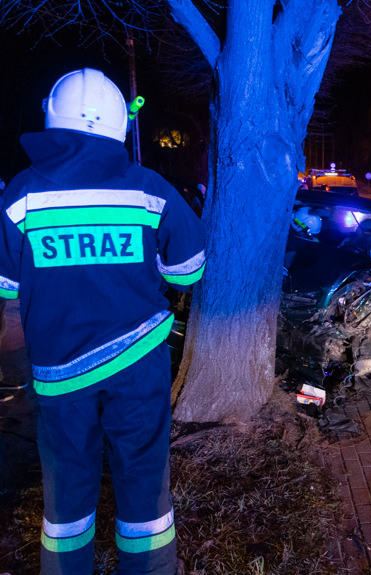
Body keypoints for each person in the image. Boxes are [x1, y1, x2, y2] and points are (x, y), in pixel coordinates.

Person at [0, 68, 206, 575]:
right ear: (118, 124)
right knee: (143, 484)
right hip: (138, 364)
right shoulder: (148, 190)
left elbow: (6, 287)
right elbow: (190, 268)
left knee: (66, 497)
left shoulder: (21, 196)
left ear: (52, 117)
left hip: (57, 374)